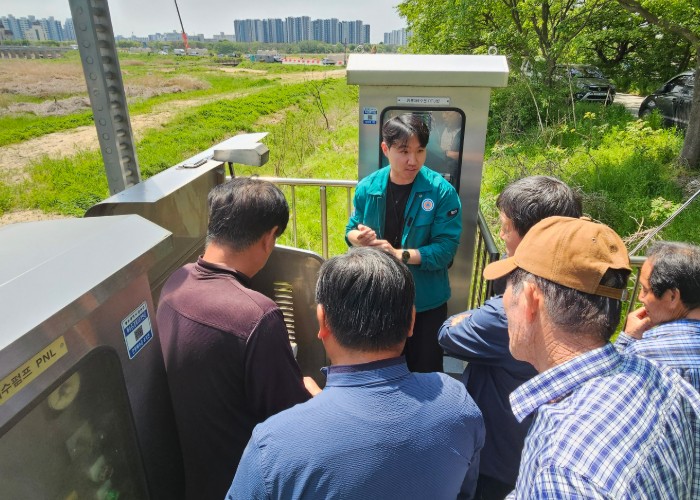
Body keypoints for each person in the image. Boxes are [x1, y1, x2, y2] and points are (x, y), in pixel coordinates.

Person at [227, 247, 485, 499]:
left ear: (323, 320)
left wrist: (318, 411)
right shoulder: (458, 404)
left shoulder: (273, 444)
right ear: (411, 321)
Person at [482, 216, 700, 498]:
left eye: (509, 285)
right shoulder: (661, 378)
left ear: (530, 299)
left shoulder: (564, 470)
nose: (504, 300)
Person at [156, 178, 318, 500]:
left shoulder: (174, 284)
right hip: (247, 486)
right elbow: (293, 424)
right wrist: (314, 397)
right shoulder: (257, 316)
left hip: (199, 481)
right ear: (269, 238)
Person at [438, 176, 582, 499]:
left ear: (532, 238)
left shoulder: (507, 314)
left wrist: (477, 312)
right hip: (531, 448)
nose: (501, 235)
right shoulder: (577, 295)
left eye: (505, 227)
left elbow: (448, 333)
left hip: (496, 456)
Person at [345, 113, 462, 372]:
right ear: (385, 149)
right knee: (380, 371)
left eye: (420, 151)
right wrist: (359, 238)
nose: (413, 160)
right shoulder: (368, 188)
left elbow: (445, 249)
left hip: (425, 302)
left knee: (424, 370)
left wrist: (400, 254)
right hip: (378, 298)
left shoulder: (441, 192)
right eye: (404, 151)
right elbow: (350, 231)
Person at [616, 241, 700, 390]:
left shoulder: (643, 354)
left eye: (645, 290)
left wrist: (627, 338)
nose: (640, 297)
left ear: (672, 297)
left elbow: (606, 389)